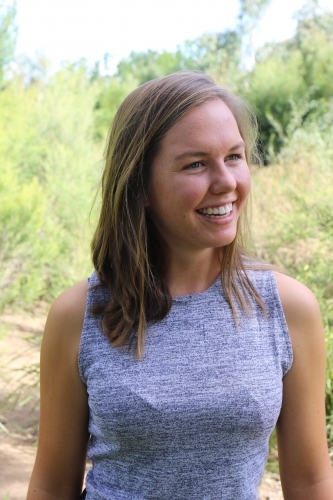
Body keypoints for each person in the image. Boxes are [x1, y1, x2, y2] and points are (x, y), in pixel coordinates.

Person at [27, 71, 333, 500]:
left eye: (234, 157)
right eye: (196, 164)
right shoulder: (77, 315)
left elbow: (311, 482)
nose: (226, 182)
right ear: (141, 184)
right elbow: (52, 486)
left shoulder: (287, 308)